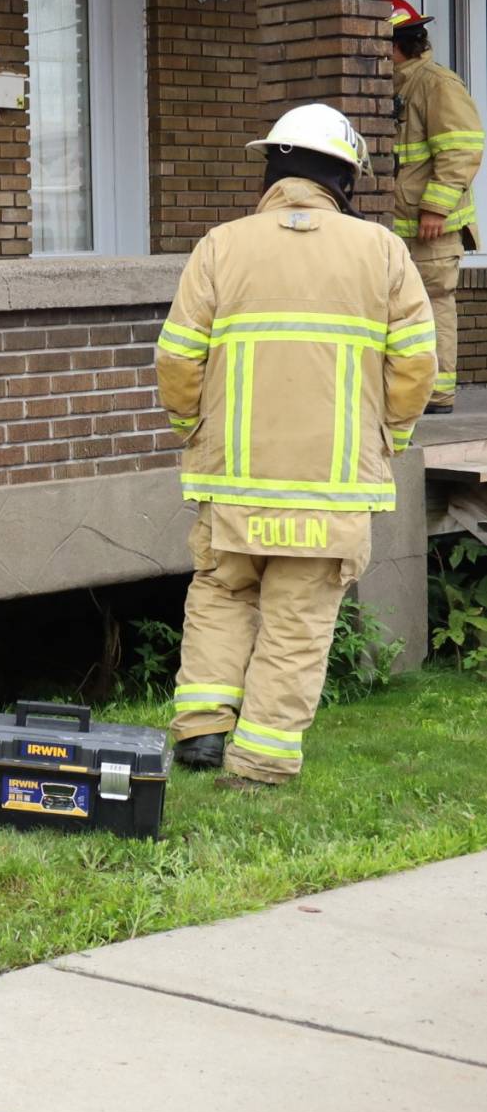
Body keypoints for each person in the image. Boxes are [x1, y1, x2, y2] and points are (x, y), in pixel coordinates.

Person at [157, 104, 435, 786]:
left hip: (232, 480)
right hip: (330, 485)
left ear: (272, 168)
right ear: (344, 176)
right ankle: (258, 765)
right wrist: (390, 436)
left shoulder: (220, 245)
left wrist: (190, 430)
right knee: (296, 618)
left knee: (222, 593)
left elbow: (175, 359)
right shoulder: (382, 253)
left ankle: (200, 730)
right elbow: (416, 364)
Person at [390, 0, 479, 412]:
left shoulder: (436, 83)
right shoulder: (402, 84)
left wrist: (435, 208)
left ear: (396, 44)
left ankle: (438, 392)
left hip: (430, 227)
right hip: (403, 224)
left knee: (433, 300)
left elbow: (461, 148)